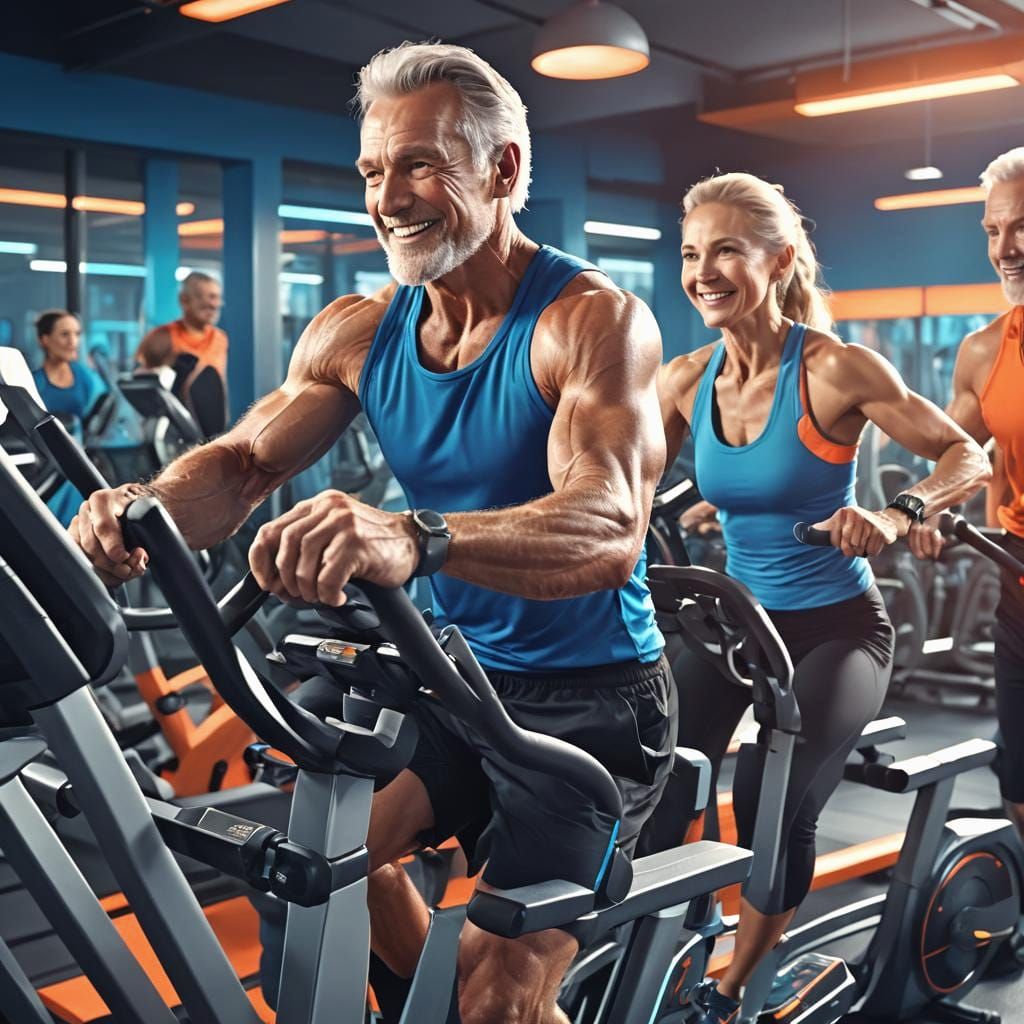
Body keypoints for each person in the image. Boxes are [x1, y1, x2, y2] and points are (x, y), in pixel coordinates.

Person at [69, 42, 675, 1024]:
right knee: (314, 867)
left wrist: (414, 539)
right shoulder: (361, 330)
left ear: (503, 170)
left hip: (591, 710)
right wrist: (139, 510)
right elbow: (241, 463)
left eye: (421, 164)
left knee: (497, 995)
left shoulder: (589, 320)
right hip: (457, 680)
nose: (388, 195)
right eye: (372, 171)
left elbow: (608, 527)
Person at [651, 171, 990, 1024]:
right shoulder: (686, 379)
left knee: (772, 798)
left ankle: (732, 991)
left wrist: (895, 510)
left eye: (727, 249)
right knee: (662, 780)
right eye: (693, 253)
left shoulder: (836, 368)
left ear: (778, 259)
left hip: (837, 628)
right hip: (735, 623)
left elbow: (964, 456)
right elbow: (614, 483)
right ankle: (662, 949)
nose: (705, 270)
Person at [909, 147, 1024, 843]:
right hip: (1017, 581)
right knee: (1020, 789)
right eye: (992, 231)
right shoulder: (985, 349)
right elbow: (960, 449)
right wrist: (927, 502)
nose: (1005, 249)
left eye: (1022, 227)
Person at [31, 309, 107, 526]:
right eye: (64, 334)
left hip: (80, 460)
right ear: (45, 340)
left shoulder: (84, 376)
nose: (73, 341)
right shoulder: (35, 383)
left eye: (76, 334)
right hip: (48, 468)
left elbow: (101, 415)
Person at [136, 270, 228, 437]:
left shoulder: (220, 339)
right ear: (184, 300)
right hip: (173, 436)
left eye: (216, 297)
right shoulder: (162, 337)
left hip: (209, 432)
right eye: (204, 297)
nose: (213, 304)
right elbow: (139, 386)